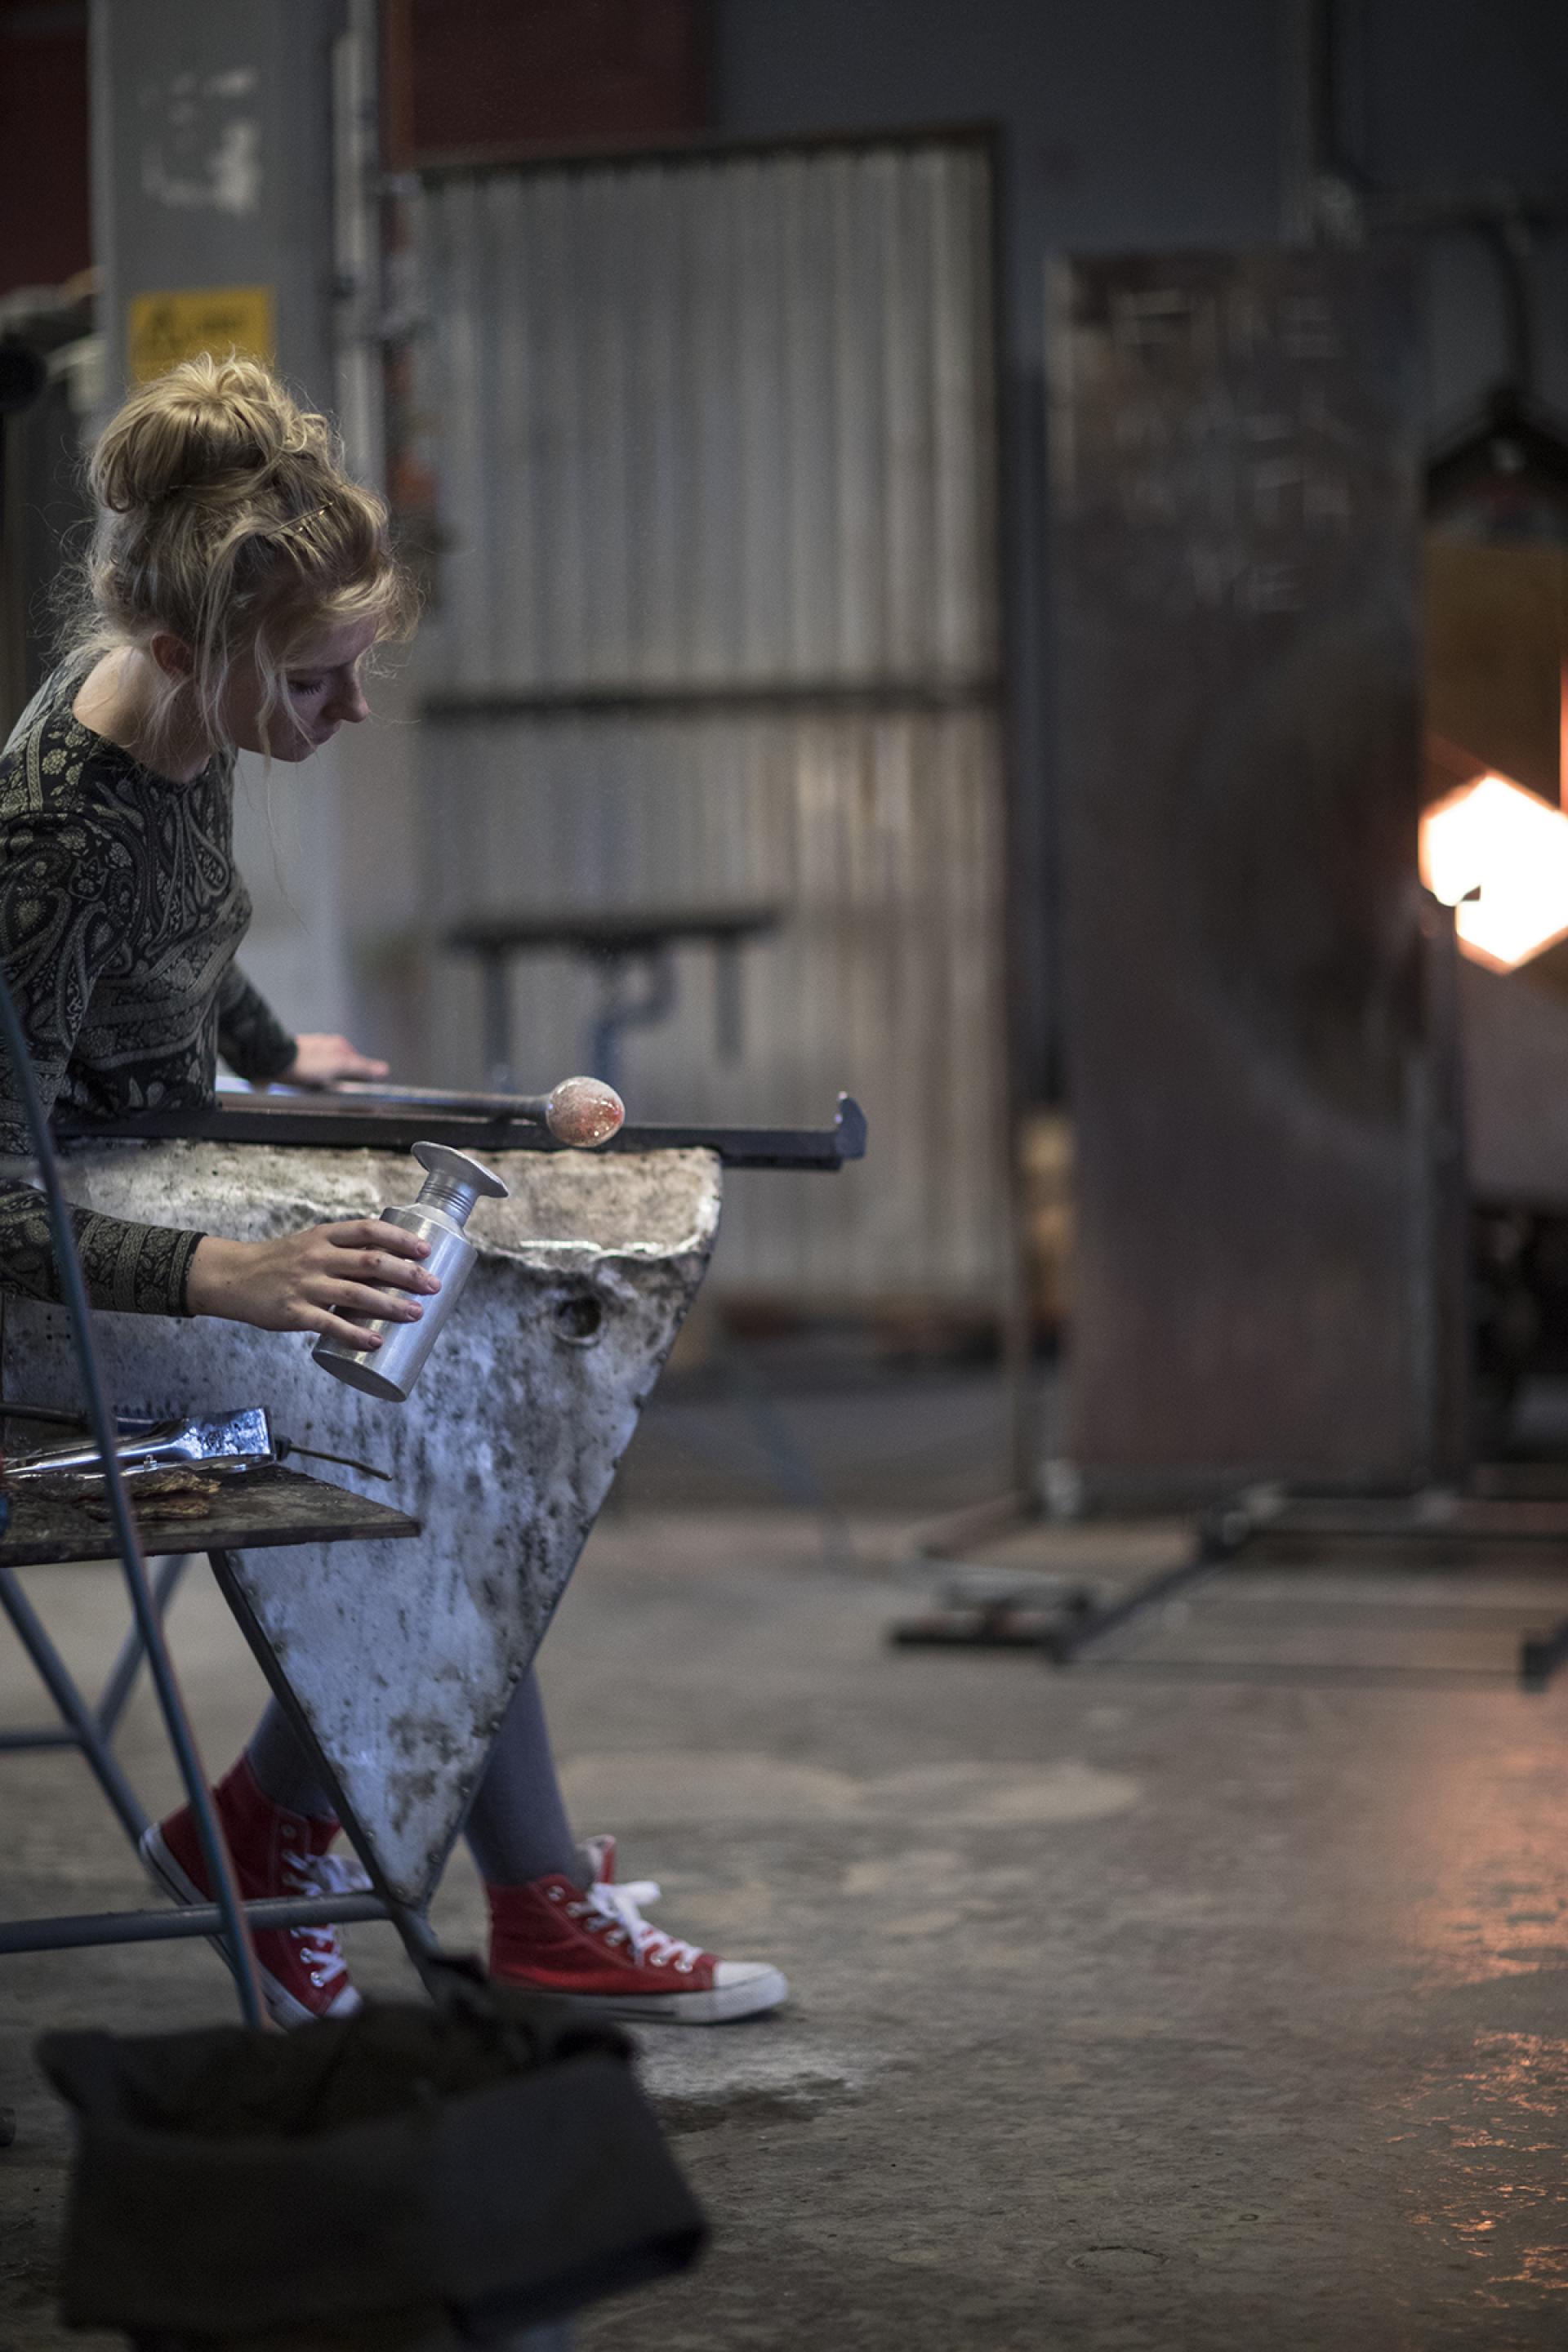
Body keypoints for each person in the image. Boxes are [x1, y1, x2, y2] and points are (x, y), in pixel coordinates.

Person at [0, 354, 786, 2030]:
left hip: (144, 1185)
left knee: (481, 1365)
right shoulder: (49, 840)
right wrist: (227, 1272)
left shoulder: (166, 720)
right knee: (448, 1418)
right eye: (319, 681)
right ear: (186, 652)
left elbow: (180, 933)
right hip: (57, 1288)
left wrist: (285, 1059)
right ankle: (444, 1874)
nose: (349, 714)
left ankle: (312, 1837)